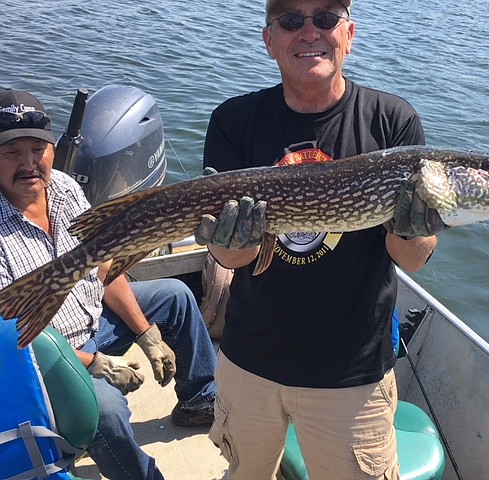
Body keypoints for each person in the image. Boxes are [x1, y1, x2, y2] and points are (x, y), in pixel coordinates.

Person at [198, 0, 443, 478]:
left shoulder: (392, 122)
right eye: (291, 20)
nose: (309, 32)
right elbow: (233, 256)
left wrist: (412, 228)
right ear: (269, 39)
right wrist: (228, 240)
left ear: (349, 33)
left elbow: (411, 260)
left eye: (326, 18)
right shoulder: (234, 120)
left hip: (351, 374)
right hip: (250, 360)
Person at [0, 88, 219, 480]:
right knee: (108, 411)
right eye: (12, 151)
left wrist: (146, 333)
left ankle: (199, 399)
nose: (29, 163)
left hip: (93, 320)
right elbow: (16, 338)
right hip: (43, 358)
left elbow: (101, 269)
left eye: (38, 149)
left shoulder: (64, 188)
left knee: (176, 296)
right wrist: (96, 364)